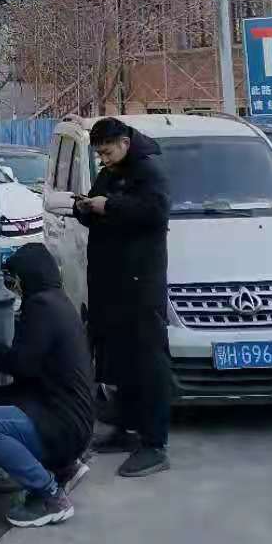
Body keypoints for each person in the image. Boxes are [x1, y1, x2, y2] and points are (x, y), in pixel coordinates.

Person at [0, 241, 95, 528]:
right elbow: (36, 374)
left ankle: (50, 495)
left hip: (63, 426)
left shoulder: (40, 307)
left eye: (17, 280)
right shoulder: (58, 302)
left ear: (29, 277)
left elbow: (21, 365)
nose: (15, 288)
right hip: (72, 420)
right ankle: (66, 468)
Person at [74, 116, 171, 478]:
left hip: (140, 283)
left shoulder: (148, 170)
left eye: (107, 152)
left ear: (125, 143)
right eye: (99, 154)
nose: (103, 159)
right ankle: (125, 428)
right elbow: (101, 209)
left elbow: (156, 211)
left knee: (147, 361)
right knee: (118, 360)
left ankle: (154, 444)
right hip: (111, 284)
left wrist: (109, 206)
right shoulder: (110, 172)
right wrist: (84, 208)